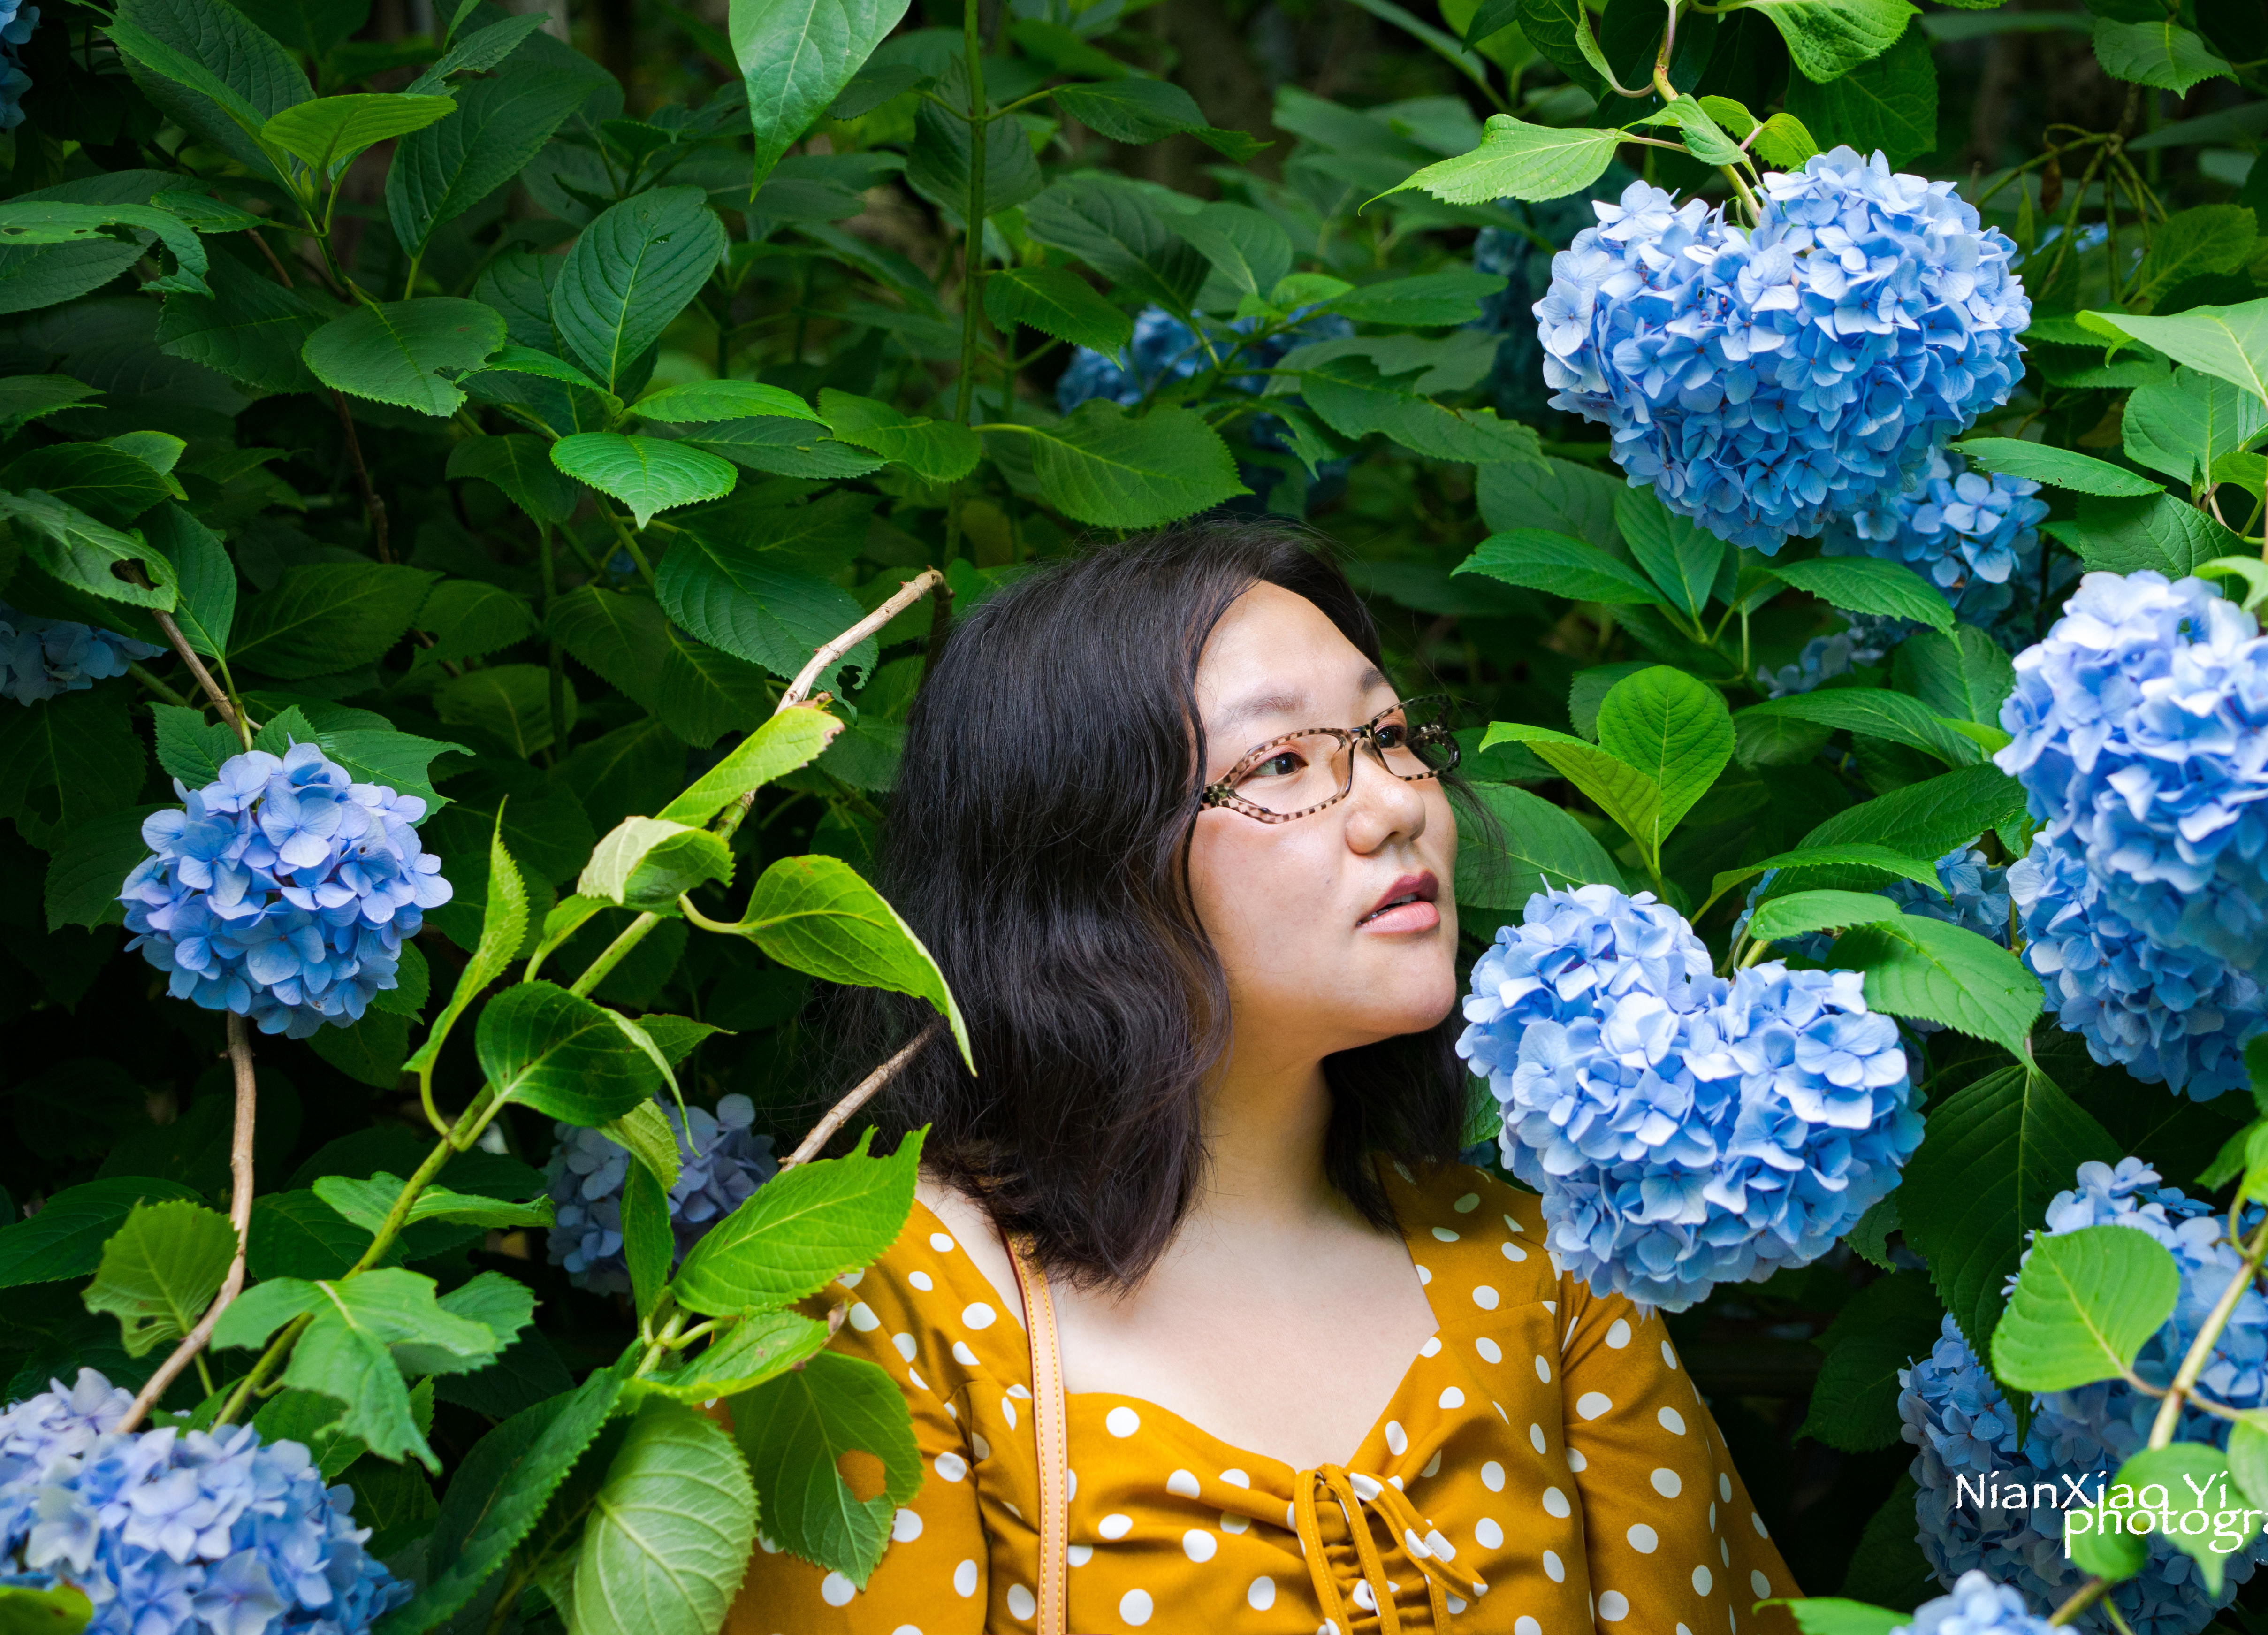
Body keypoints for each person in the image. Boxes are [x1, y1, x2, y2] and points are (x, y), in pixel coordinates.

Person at [723, 522, 1801, 1634]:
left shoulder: (1547, 1272)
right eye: (1282, 762)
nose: (1396, 804)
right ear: (1083, 865)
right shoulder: (888, 1300)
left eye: (1389, 735)